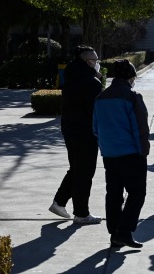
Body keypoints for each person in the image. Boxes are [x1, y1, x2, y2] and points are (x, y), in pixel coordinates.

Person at [93, 59, 150, 249]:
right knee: (137, 193)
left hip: (109, 154)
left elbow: (95, 128)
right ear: (130, 76)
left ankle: (114, 231)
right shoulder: (132, 97)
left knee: (114, 193)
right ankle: (124, 231)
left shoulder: (101, 98)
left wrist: (106, 145)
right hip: (131, 153)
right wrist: (143, 151)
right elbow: (140, 128)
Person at [49, 45, 103, 225]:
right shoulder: (91, 83)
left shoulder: (71, 77)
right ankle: (81, 213)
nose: (97, 63)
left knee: (77, 168)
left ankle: (59, 202)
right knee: (85, 172)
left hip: (69, 129)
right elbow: (96, 112)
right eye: (95, 61)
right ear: (87, 62)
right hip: (85, 132)